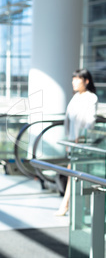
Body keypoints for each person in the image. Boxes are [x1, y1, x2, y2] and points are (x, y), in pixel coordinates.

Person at [55, 68, 98, 216]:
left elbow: (90, 121)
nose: (73, 82)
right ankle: (83, 206)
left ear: (86, 81)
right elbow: (68, 121)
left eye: (77, 79)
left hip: (82, 143)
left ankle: (65, 204)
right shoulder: (75, 97)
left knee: (73, 173)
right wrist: (69, 140)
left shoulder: (91, 98)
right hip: (73, 142)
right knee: (76, 174)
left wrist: (82, 138)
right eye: (73, 79)